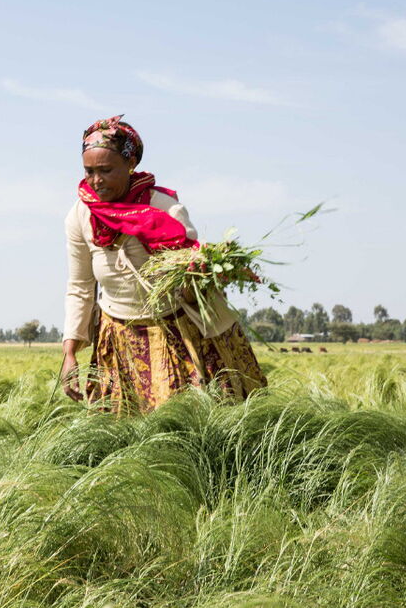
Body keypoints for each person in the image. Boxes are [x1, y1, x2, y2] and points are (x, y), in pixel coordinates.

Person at [61, 116, 266, 414]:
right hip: (118, 336)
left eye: (106, 170)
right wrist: (70, 351)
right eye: (89, 171)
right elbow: (80, 286)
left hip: (177, 330)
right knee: (122, 426)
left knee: (188, 420)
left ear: (130, 164)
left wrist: (201, 275)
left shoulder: (163, 208)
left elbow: (189, 271)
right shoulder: (80, 216)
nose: (96, 180)